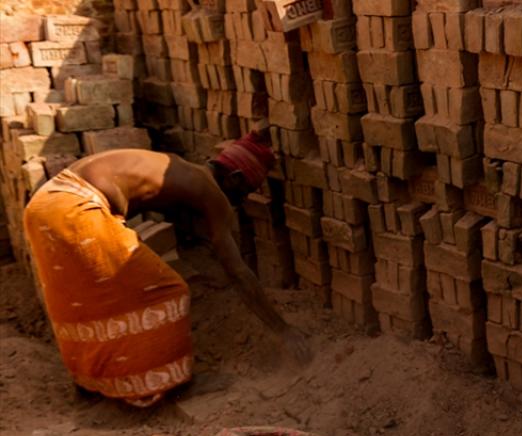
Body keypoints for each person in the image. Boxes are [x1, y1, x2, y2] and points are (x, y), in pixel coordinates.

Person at [21, 130, 310, 407]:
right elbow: (237, 271)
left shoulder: (179, 167)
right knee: (167, 291)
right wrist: (282, 329)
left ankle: (93, 381)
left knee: (85, 298)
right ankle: (176, 384)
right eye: (245, 192)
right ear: (234, 178)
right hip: (76, 208)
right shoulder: (211, 192)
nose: (241, 201)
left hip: (44, 203)